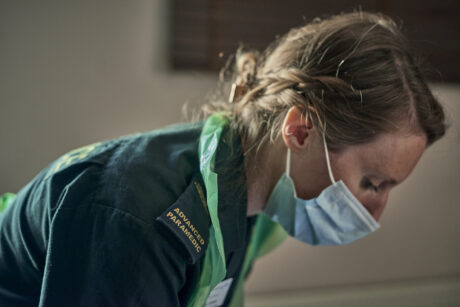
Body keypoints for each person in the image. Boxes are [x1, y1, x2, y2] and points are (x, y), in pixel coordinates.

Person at [0, 10, 446, 307]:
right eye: (373, 182)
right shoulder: (140, 219)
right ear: (299, 131)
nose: (376, 212)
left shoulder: (249, 200)